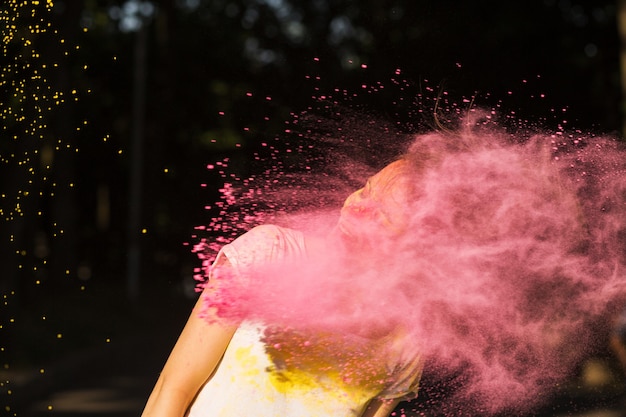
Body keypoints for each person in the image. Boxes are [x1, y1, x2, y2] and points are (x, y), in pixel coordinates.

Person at [141, 158, 424, 417]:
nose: (356, 207)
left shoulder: (408, 336)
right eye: (365, 190)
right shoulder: (270, 252)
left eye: (381, 214)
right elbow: (173, 389)